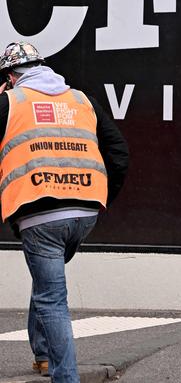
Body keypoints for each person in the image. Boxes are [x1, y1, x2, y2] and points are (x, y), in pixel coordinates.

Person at [0, 41, 129, 383]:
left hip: (40, 215)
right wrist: (99, 198)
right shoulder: (81, 100)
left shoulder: (10, 102)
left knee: (52, 298)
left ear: (11, 77)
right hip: (83, 214)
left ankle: (65, 377)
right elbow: (119, 152)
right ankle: (43, 354)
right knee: (47, 281)